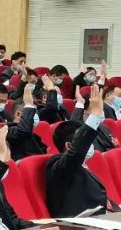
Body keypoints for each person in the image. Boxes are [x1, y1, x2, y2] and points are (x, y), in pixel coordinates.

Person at [46, 86, 118, 217]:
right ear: (69, 146)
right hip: (77, 225)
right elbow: (76, 152)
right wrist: (94, 116)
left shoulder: (85, 167)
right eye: (87, 142)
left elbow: (105, 200)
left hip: (105, 219)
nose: (90, 146)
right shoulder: (57, 166)